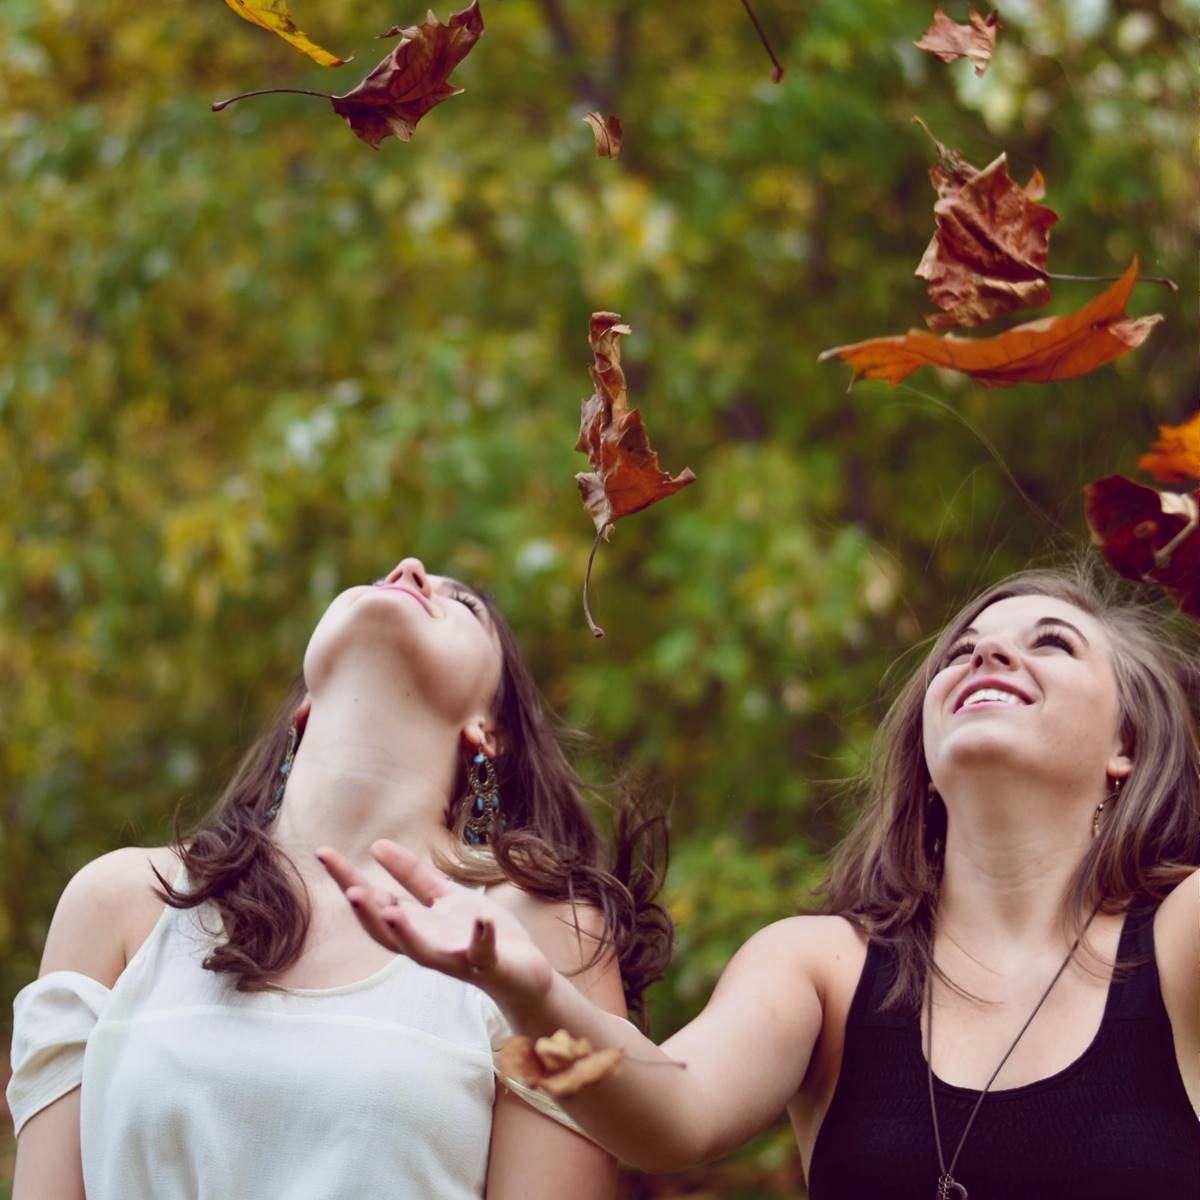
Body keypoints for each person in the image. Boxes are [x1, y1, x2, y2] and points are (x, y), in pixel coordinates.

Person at [319, 564, 1200, 1199]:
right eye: (960, 653)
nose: (987, 659)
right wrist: (528, 989)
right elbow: (668, 1115)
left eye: (1051, 644)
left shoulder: (1182, 936)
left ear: (1128, 744)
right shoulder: (817, 967)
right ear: (926, 755)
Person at [7, 556, 671, 1200]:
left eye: (462, 602)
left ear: (489, 729)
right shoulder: (120, 905)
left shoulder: (542, 937)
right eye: (381, 577)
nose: (407, 569)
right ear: (303, 706)